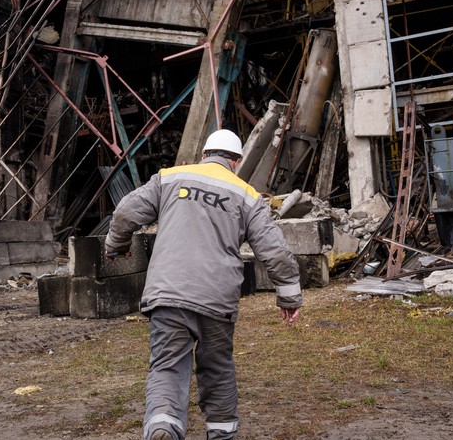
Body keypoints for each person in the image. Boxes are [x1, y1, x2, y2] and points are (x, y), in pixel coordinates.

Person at [104, 129, 303, 440]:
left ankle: (163, 426)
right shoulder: (247, 195)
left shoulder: (169, 178)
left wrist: (117, 244)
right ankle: (221, 434)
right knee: (217, 368)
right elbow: (275, 250)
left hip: (168, 294)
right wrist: (289, 298)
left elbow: (126, 211)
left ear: (205, 154)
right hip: (217, 300)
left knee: (167, 366)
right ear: (235, 161)